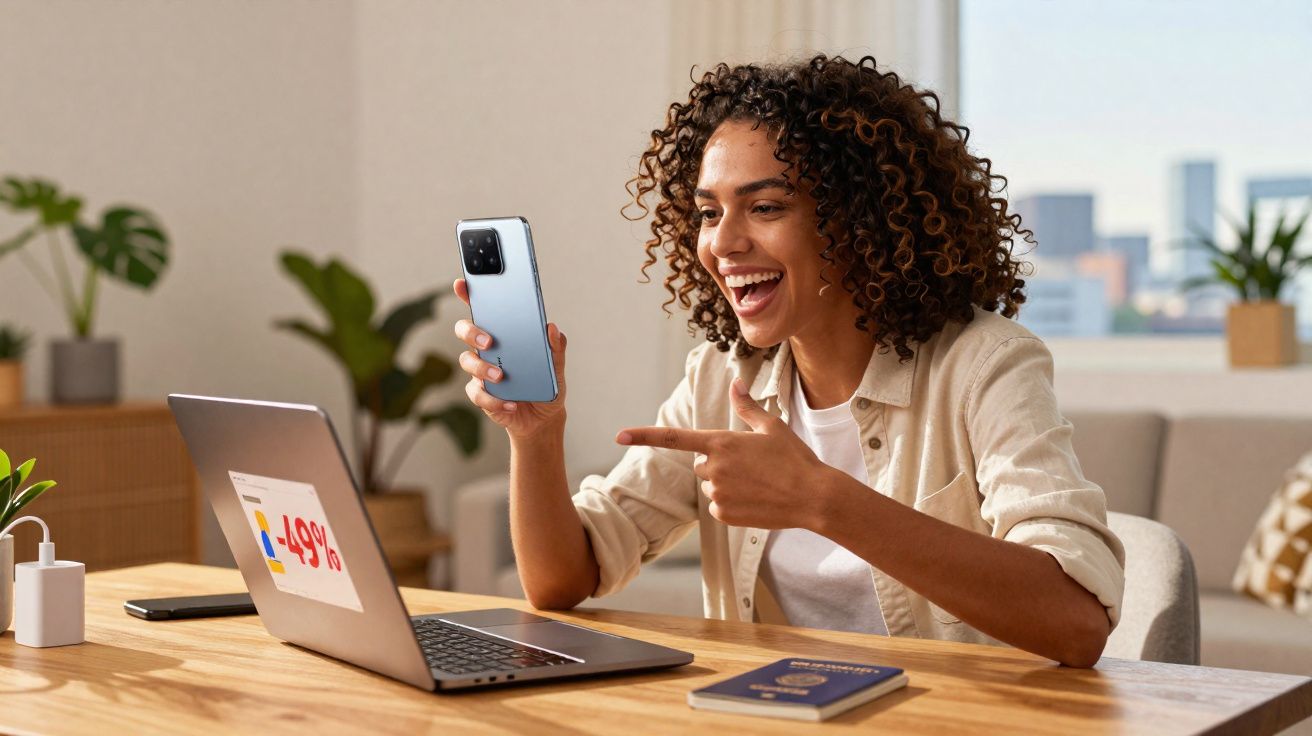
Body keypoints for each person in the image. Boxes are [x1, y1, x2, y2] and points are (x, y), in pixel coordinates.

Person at [452, 55, 1124, 668]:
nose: (723, 243)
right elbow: (561, 580)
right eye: (708, 213)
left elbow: (1075, 621)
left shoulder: (984, 365)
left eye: (766, 207)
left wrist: (821, 500)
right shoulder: (721, 376)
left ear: (860, 218)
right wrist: (536, 437)